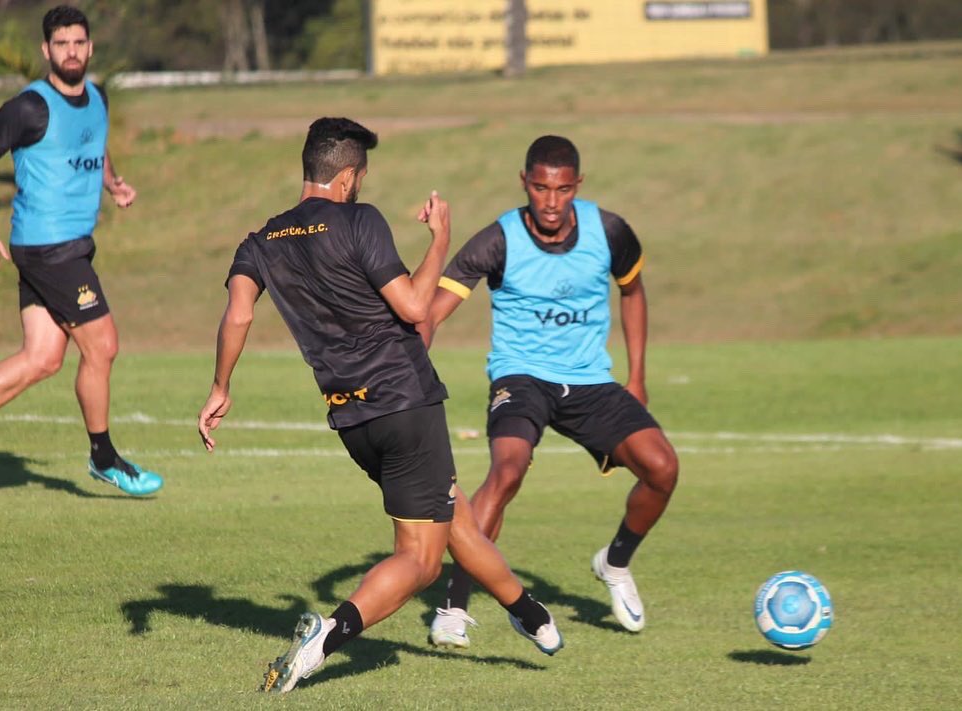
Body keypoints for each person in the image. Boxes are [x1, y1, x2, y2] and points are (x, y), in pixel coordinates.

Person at [197, 117, 563, 694]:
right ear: (346, 178)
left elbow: (238, 315)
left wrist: (220, 387)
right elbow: (416, 306)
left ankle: (529, 613)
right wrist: (441, 237)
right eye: (361, 176)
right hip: (405, 402)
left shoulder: (260, 243)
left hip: (351, 419)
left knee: (452, 514)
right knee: (420, 559)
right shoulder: (357, 219)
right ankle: (326, 638)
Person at [423, 135, 679, 647]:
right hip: (522, 377)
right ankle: (453, 606)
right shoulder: (498, 240)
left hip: (590, 381)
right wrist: (409, 365)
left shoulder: (609, 231)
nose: (551, 202)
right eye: (540, 188)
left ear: (577, 185)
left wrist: (637, 376)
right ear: (525, 183)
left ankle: (615, 563)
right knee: (507, 471)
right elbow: (431, 311)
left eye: (562, 190)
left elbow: (632, 291)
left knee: (663, 468)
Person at [0, 5, 162, 497]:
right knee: (103, 345)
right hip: (49, 247)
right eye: (62, 44)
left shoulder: (96, 98)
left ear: (90, 47)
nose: (72, 52)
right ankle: (104, 457)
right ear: (47, 51)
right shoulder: (29, 107)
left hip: (70, 245)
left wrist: (112, 183)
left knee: (42, 358)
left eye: (79, 43)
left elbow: (93, 143)